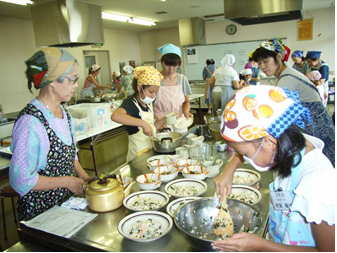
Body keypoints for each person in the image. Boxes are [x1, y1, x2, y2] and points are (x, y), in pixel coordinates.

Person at [212, 85, 335, 252]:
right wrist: (229, 169)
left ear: (270, 143)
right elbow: (248, 146)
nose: (243, 158)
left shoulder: (319, 184)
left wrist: (261, 245)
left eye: (244, 153)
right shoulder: (290, 143)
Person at [9, 47, 90, 221]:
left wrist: (85, 177)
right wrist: (67, 182)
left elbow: (71, 155)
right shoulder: (30, 123)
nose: (76, 85)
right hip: (41, 213)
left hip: (66, 205)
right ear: (52, 81)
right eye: (72, 80)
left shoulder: (64, 113)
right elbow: (21, 180)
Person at [251, 38, 335, 165]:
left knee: (322, 167)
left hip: (315, 126)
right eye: (259, 63)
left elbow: (274, 109)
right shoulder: (287, 74)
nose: (262, 67)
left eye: (265, 61)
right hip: (316, 123)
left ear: (279, 57)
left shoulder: (287, 78)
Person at [111, 66, 167, 162]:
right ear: (139, 87)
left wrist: (164, 119)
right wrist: (143, 123)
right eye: (150, 92)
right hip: (137, 158)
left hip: (149, 154)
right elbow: (115, 116)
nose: (153, 96)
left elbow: (151, 130)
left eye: (156, 92)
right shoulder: (130, 103)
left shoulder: (148, 105)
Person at [153, 43, 193, 120]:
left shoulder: (182, 79)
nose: (171, 69)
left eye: (175, 66)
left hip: (179, 121)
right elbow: (148, 107)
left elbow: (186, 102)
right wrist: (158, 121)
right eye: (167, 65)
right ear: (161, 61)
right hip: (159, 120)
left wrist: (186, 111)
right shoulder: (155, 79)